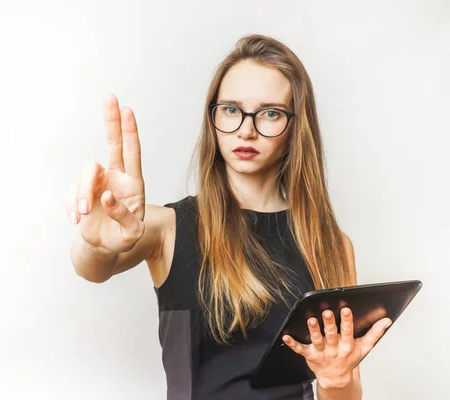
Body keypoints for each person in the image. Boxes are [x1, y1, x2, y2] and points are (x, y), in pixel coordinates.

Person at [67, 34, 392, 400]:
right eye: (232, 110)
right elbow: (92, 268)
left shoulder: (330, 243)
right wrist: (93, 243)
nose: (246, 129)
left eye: (270, 113)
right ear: (214, 116)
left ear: (295, 128)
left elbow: (346, 391)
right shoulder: (166, 228)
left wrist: (336, 382)